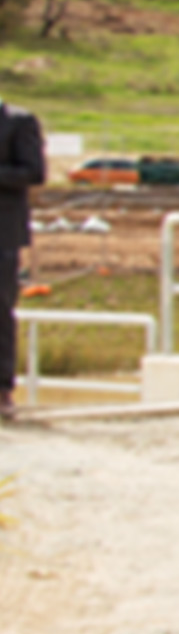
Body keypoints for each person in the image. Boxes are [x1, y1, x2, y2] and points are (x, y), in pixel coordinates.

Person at [0, 96, 40, 419]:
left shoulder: (19, 121)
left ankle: (2, 388)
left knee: (0, 311)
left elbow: (34, 172)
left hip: (3, 232)